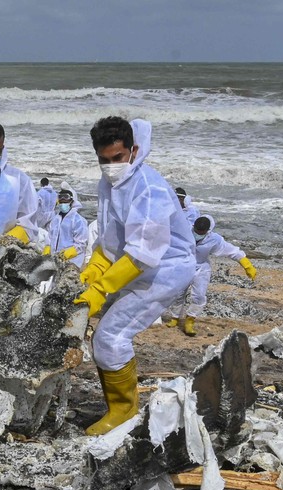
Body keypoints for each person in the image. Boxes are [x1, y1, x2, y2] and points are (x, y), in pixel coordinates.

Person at [73, 117, 196, 436]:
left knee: (110, 337)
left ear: (133, 150)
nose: (111, 166)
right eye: (104, 160)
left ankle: (124, 412)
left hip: (165, 269)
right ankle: (115, 407)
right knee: (102, 335)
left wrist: (101, 288)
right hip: (131, 264)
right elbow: (112, 235)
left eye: (118, 158)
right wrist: (95, 267)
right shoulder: (108, 183)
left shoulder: (149, 188)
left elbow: (144, 253)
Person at [161, 215, 257, 336]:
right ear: (193, 227)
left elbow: (232, 251)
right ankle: (174, 318)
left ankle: (190, 320)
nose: (198, 234)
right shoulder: (184, 232)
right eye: (196, 231)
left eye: (201, 232)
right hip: (183, 266)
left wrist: (246, 264)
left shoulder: (214, 240)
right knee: (178, 293)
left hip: (201, 268)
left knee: (199, 296)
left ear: (207, 231)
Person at [44, 182, 89, 268]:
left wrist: (68, 253)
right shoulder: (55, 219)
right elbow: (50, 237)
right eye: (61, 197)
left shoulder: (78, 220)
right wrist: (47, 247)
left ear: (72, 200)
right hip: (54, 262)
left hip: (72, 263)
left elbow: (81, 244)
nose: (63, 200)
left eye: (66, 197)